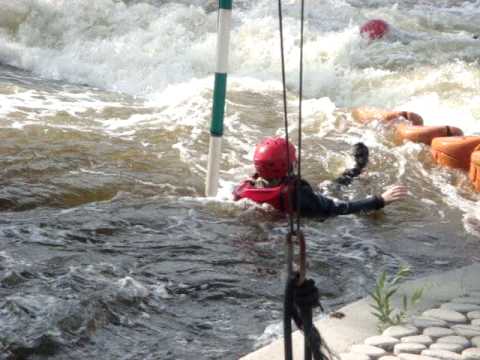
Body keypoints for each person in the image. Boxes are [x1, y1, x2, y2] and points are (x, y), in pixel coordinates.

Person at [233, 137, 408, 218]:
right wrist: (380, 200)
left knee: (330, 186)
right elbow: (339, 209)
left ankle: (356, 170)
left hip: (295, 207)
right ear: (288, 165)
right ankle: (357, 169)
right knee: (333, 188)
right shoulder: (297, 195)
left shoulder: (247, 188)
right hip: (311, 207)